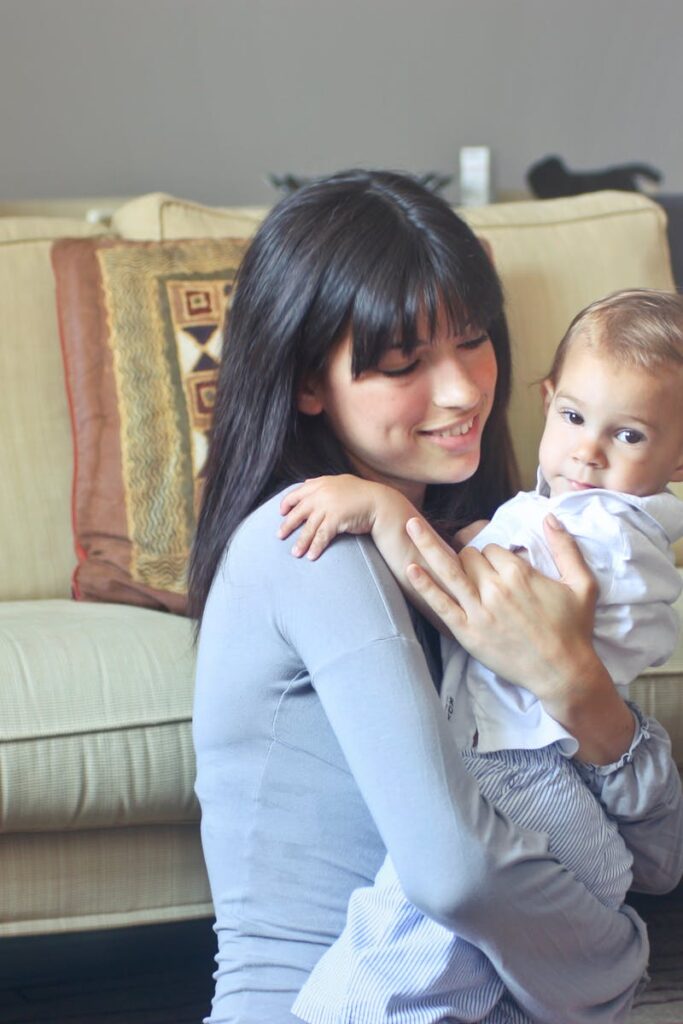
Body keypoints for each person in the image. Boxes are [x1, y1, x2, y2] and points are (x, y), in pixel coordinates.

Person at [189, 170, 683, 1024]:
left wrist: (578, 688)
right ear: (311, 384)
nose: (461, 392)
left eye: (471, 339)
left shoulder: (494, 549)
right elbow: (454, 873)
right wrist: (615, 958)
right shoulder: (311, 543)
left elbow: (660, 857)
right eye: (403, 364)